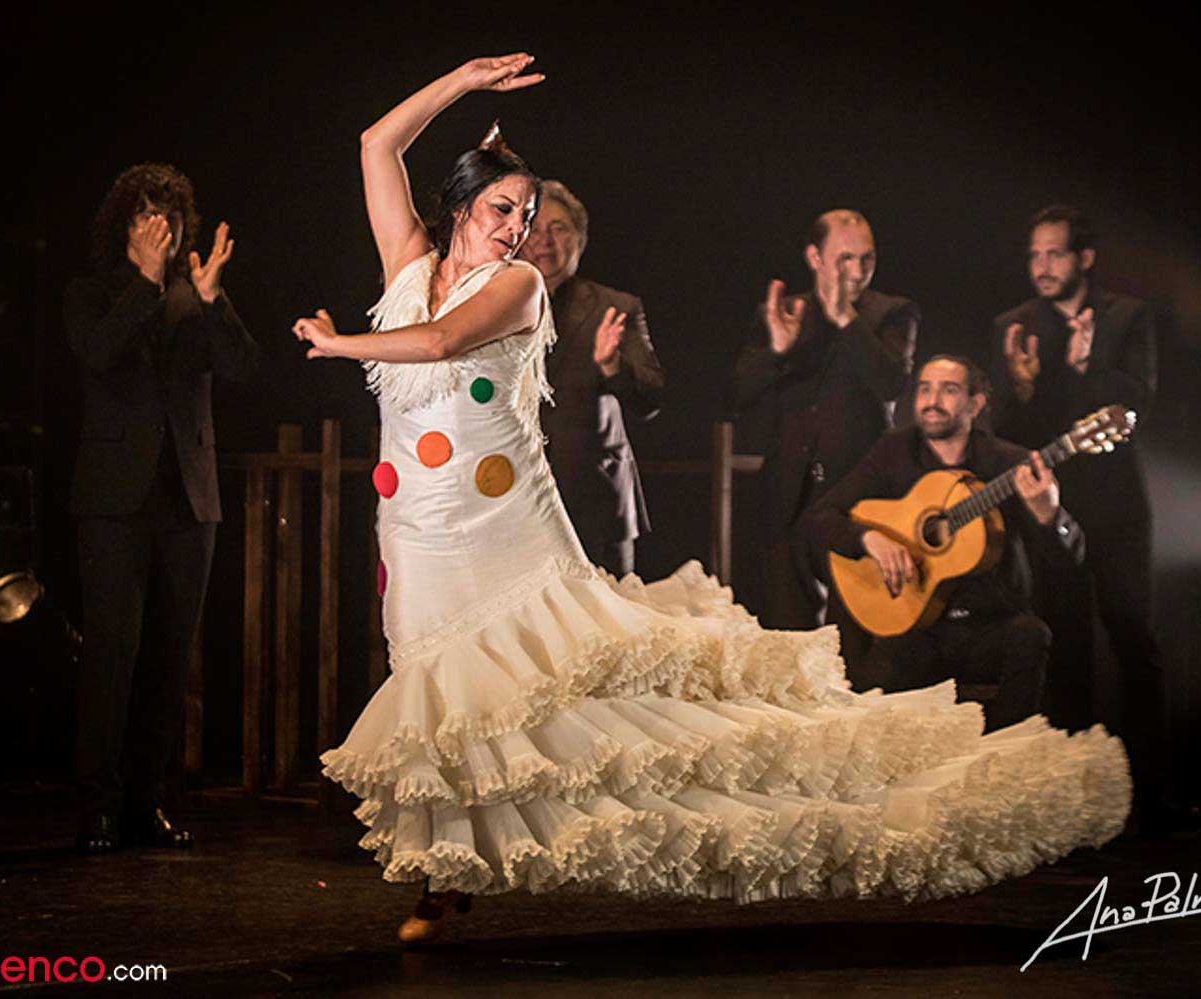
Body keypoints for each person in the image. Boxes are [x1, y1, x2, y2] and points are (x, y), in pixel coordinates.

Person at [292, 55, 1129, 946]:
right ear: (460, 204)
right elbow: (376, 144)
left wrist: (342, 345)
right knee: (445, 695)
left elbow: (442, 341)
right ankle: (447, 871)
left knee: (585, 695)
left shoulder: (520, 285)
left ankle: (865, 801)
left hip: (503, 530)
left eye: (529, 216)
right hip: (416, 527)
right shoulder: (408, 266)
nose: (519, 230)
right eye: (504, 210)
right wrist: (462, 81)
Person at [64, 163, 261, 853]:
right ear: (125, 223)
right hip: (114, 500)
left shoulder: (192, 292)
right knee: (111, 655)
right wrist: (146, 283)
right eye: (148, 213)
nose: (162, 226)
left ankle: (145, 802)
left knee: (170, 661)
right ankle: (97, 804)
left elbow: (243, 369)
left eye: (171, 214)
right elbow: (98, 355)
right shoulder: (92, 293)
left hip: (188, 498)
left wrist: (213, 300)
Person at [990, 204, 1192, 836]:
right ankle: (1072, 804)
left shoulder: (1128, 317)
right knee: (1065, 642)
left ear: (1084, 258)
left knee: (1133, 637)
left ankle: (1152, 796)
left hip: (1118, 504)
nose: (1042, 266)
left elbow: (1137, 407)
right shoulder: (1013, 326)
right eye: (1035, 255)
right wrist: (1022, 387)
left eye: (1055, 253)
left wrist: (1086, 368)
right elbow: (1006, 433)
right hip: (1049, 506)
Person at [806, 357, 1083, 732]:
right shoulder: (894, 451)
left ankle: (1004, 752)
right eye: (925, 389)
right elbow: (822, 517)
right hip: (916, 628)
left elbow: (1069, 561)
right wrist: (870, 539)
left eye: (948, 390)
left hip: (988, 623)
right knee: (871, 694)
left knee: (1031, 637)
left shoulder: (1011, 464)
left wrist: (1049, 515)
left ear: (976, 404)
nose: (932, 401)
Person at [727, 212, 919, 675]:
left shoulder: (893, 313)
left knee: (851, 645)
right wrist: (778, 351)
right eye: (845, 259)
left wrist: (845, 319)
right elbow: (738, 393)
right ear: (814, 257)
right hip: (788, 495)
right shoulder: (784, 311)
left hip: (858, 499)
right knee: (789, 641)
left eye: (867, 259)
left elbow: (891, 382)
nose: (857, 271)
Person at [517, 179, 664, 577]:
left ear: (579, 240)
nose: (545, 240)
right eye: (534, 228)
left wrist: (612, 366)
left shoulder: (615, 307)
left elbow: (651, 399)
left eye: (559, 228)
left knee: (608, 614)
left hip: (595, 499)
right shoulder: (494, 306)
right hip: (515, 498)